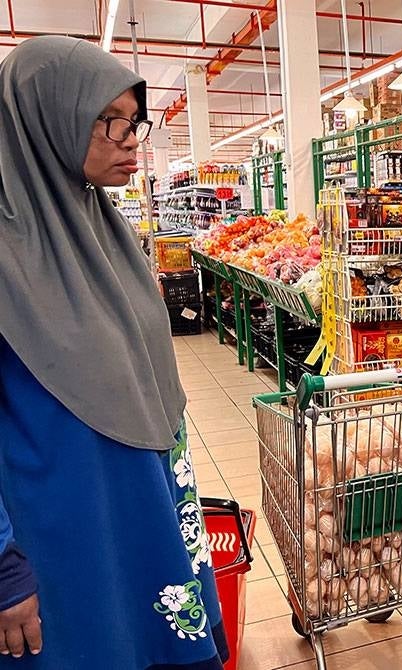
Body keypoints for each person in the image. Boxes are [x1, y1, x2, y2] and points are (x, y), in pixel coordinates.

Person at [0, 36, 227, 668]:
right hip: (60, 536)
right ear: (45, 120)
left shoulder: (106, 232)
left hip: (145, 504)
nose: (130, 139)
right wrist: (3, 569)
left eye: (134, 121)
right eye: (109, 121)